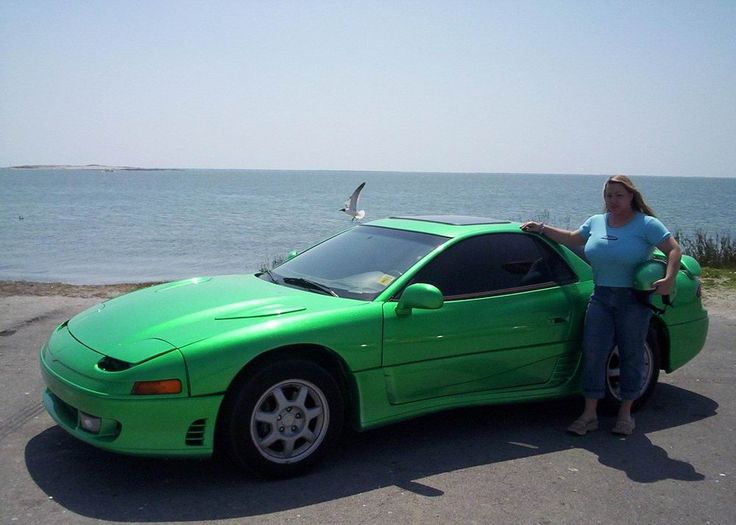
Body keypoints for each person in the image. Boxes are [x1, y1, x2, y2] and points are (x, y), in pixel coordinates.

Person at [521, 175, 682, 436]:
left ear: (631, 196)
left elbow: (674, 249)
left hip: (633, 299)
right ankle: (589, 415)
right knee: (593, 353)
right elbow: (573, 238)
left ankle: (626, 414)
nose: (613, 201)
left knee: (631, 354)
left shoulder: (646, 224)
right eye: (609, 196)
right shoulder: (596, 222)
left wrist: (670, 278)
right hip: (601, 297)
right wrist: (541, 228)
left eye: (619, 195)